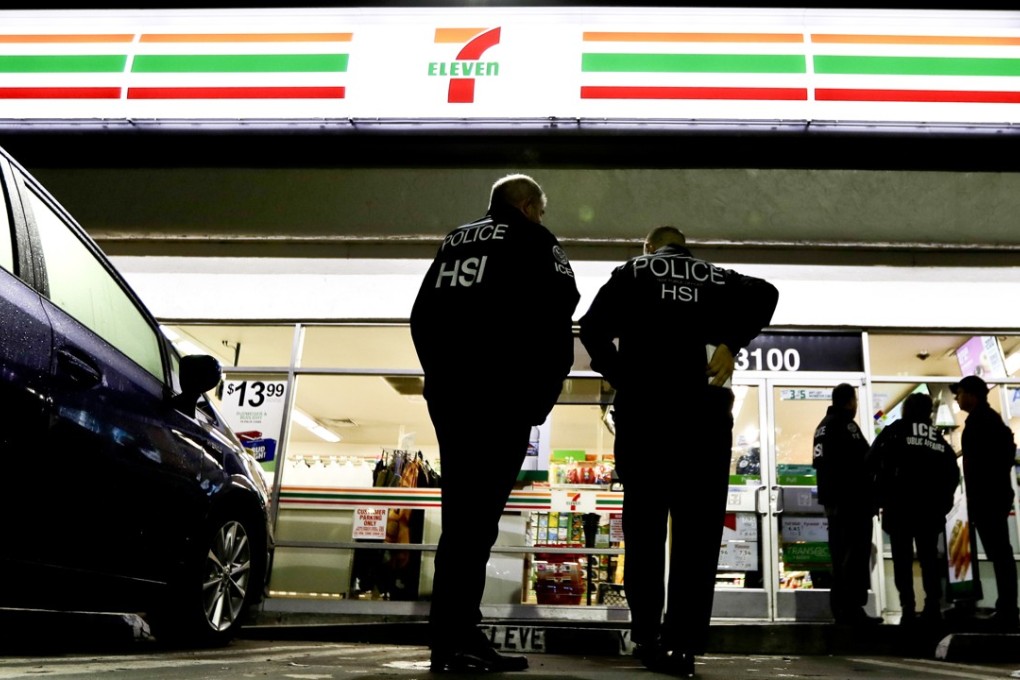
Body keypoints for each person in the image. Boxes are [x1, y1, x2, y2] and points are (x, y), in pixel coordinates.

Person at [578, 225, 778, 677]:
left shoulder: (632, 272)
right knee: (698, 536)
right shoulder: (715, 276)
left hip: (646, 418)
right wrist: (732, 343)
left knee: (645, 531)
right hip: (702, 420)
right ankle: (683, 645)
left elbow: (590, 328)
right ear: (686, 248)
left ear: (649, 248)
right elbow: (767, 293)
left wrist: (621, 374)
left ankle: (647, 636)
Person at [410, 173, 580, 672]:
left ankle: (454, 635)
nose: (543, 219)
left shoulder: (455, 241)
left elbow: (421, 316)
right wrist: (539, 400)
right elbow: (558, 317)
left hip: (452, 397)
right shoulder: (534, 240)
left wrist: (440, 376)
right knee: (476, 524)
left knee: (462, 520)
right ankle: (457, 640)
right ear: (527, 206)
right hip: (502, 398)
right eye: (541, 210)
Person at [867, 392, 959, 624]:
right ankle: (933, 605)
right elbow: (951, 473)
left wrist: (879, 496)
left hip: (899, 507)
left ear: (906, 409)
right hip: (929, 511)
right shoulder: (937, 439)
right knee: (929, 557)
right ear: (928, 412)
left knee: (902, 558)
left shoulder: (895, 431)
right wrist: (943, 503)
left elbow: (870, 460)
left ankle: (907, 605)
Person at [951, 374, 1019, 629]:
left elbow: (992, 461)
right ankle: (1007, 606)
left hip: (989, 498)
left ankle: (1008, 608)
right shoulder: (987, 421)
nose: (957, 398)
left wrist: (983, 492)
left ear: (971, 394)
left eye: (959, 393)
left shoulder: (985, 422)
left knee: (1000, 553)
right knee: (999, 553)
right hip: (988, 498)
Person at [812, 383, 882, 626]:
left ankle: (841, 608)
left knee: (840, 555)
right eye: (855, 400)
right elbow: (865, 461)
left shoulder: (822, 426)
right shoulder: (845, 425)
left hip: (833, 502)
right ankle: (852, 609)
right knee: (854, 555)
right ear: (850, 401)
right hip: (852, 502)